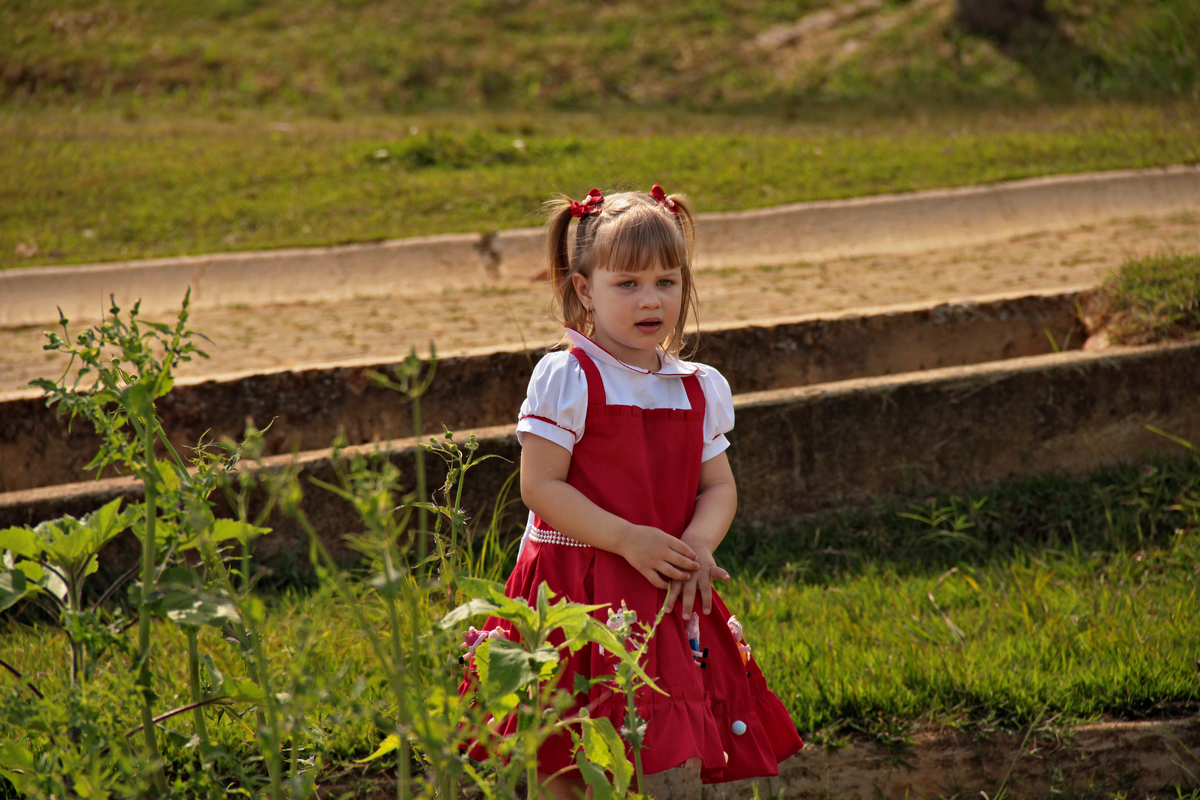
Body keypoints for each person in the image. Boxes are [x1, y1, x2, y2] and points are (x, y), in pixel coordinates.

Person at [463, 186, 802, 798]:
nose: (651, 300)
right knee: (562, 744)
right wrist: (626, 538)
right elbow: (540, 486)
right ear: (584, 288)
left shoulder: (697, 387)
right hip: (577, 583)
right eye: (628, 284)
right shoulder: (570, 375)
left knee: (648, 740)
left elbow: (719, 486)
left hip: (659, 583)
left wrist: (697, 542)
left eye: (666, 282)